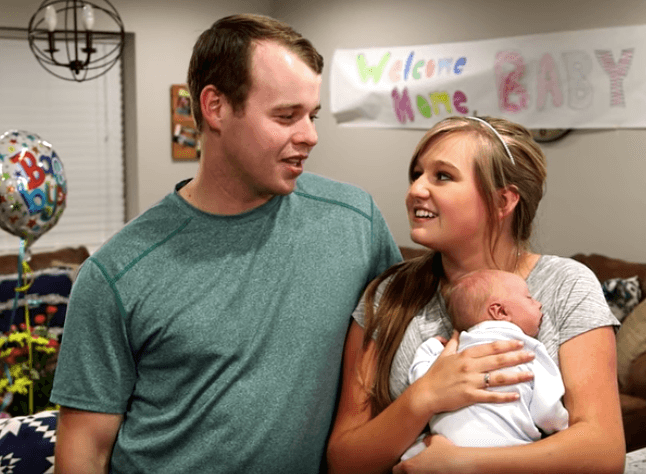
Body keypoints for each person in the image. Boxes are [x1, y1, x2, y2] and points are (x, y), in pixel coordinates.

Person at [50, 14, 402, 474]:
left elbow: (407, 340)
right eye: (285, 116)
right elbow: (85, 453)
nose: (310, 136)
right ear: (215, 107)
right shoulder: (117, 272)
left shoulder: (357, 222)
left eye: (311, 116)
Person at [326, 116, 625, 474]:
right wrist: (424, 397)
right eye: (417, 174)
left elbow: (603, 450)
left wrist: (463, 464)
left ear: (503, 201)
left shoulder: (565, 286)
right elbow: (344, 460)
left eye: (442, 176)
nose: (416, 190)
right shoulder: (390, 296)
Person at [401, 268, 568, 460]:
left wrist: (430, 347)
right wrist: (563, 425)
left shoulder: (452, 354)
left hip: (441, 449)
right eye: (529, 298)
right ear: (501, 312)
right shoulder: (526, 350)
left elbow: (419, 380)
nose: (539, 305)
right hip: (504, 451)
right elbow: (547, 409)